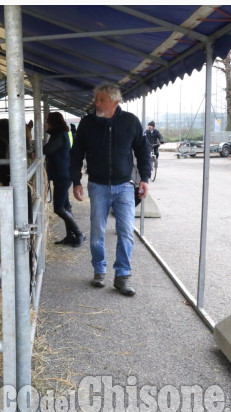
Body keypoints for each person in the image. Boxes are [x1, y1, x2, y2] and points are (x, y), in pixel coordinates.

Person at [70, 83, 151, 296]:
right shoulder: (87, 123)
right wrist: (76, 181)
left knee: (126, 232)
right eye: (96, 99)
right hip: (97, 186)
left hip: (124, 186)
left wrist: (145, 178)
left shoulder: (130, 122)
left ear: (115, 102)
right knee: (97, 232)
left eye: (101, 100)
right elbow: (76, 153)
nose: (96, 103)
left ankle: (122, 276)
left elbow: (143, 151)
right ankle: (99, 270)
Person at [43, 111, 85, 247]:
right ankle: (70, 235)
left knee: (59, 208)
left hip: (62, 175)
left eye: (47, 121)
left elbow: (47, 150)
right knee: (66, 206)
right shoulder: (59, 134)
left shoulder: (59, 135)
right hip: (62, 174)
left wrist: (35, 150)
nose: (45, 123)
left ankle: (79, 234)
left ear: (52, 123)